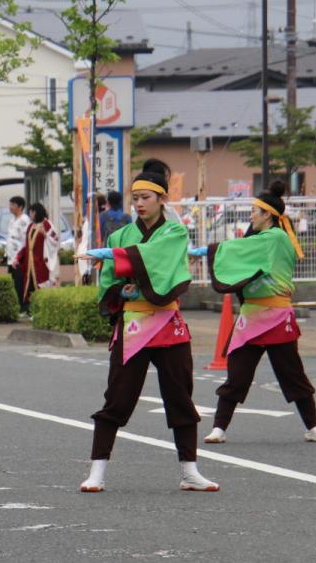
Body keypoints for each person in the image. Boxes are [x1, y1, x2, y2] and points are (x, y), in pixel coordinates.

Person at [75, 161, 218, 494]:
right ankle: (97, 471)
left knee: (180, 397)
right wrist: (119, 287)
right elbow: (109, 279)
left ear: (162, 199)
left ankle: (189, 471)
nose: (138, 203)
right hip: (134, 324)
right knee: (117, 399)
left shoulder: (175, 231)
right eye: (135, 198)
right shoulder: (121, 234)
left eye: (145, 197)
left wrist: (120, 257)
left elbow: (158, 257)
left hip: (167, 321)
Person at [193, 180, 316, 445]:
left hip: (278, 316)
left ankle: (313, 426)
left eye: (255, 211)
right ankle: (219, 427)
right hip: (252, 317)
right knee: (237, 375)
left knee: (292, 373)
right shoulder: (260, 239)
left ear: (268, 215)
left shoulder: (277, 238)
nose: (251, 215)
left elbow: (240, 249)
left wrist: (209, 251)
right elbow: (244, 250)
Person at [14, 203, 60, 309]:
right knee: (29, 285)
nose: (30, 215)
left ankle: (43, 308)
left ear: (35, 212)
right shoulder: (31, 226)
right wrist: (18, 257)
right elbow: (26, 245)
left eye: (31, 212)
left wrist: (45, 235)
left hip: (41, 261)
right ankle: (32, 309)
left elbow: (55, 239)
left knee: (41, 283)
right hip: (30, 263)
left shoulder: (47, 224)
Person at [4, 196, 31, 313]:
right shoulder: (12, 220)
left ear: (20, 207)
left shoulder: (24, 220)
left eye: (13, 205)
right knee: (14, 283)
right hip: (11, 257)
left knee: (20, 283)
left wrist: (19, 257)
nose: (10, 207)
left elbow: (25, 240)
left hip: (19, 259)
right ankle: (18, 307)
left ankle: (24, 307)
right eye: (10, 205)